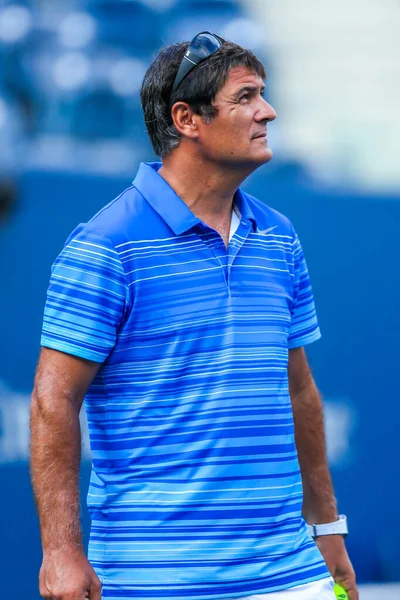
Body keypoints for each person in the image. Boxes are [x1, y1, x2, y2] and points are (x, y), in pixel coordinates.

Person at [30, 33, 358, 600]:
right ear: (187, 119)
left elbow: (299, 391)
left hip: (290, 572)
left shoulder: (279, 237)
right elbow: (52, 400)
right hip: (152, 579)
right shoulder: (105, 246)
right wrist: (61, 553)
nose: (268, 111)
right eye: (247, 97)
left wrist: (327, 529)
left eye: (264, 95)